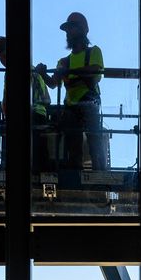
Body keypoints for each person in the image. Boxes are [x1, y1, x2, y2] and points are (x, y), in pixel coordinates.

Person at [37, 12, 108, 170]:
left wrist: (69, 73)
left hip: (89, 102)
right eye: (67, 30)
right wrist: (43, 73)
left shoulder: (93, 52)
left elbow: (95, 73)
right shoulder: (63, 61)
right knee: (72, 141)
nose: (68, 33)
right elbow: (53, 83)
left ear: (82, 30)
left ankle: (100, 172)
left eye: (71, 28)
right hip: (71, 105)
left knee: (94, 139)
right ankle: (74, 171)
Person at [0, 35, 53, 170]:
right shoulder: (32, 69)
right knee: (39, 153)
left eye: (3, 56)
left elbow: (8, 101)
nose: (2, 61)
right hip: (41, 116)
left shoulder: (13, 71)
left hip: (25, 116)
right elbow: (47, 98)